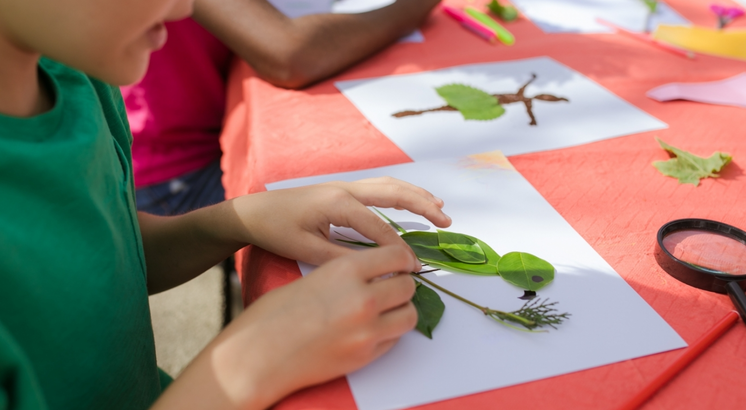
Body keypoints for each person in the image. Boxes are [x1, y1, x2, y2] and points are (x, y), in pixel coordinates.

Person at [0, 0, 451, 408]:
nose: (183, 10)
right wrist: (251, 362)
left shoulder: (80, 77)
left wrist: (239, 219)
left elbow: (103, 261)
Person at [124, 0, 441, 216]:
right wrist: (413, 8)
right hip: (169, 175)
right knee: (354, 196)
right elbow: (290, 55)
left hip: (185, 139)